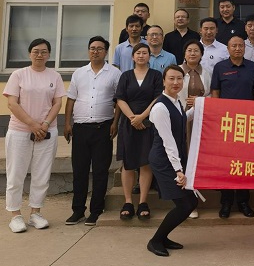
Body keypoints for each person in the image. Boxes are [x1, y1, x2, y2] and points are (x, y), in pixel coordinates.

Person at [4, 38, 65, 233]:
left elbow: (57, 103)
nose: (40, 55)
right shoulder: (18, 74)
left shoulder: (54, 76)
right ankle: (15, 215)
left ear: (49, 55)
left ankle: (35, 213)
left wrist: (44, 125)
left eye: (44, 51)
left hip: (47, 131)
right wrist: (32, 124)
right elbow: (12, 103)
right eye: (36, 51)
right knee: (16, 173)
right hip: (20, 131)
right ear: (30, 53)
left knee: (41, 174)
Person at [64, 37, 122, 226]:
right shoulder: (79, 73)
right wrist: (67, 123)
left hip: (103, 128)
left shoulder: (115, 73)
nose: (95, 51)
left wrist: (115, 122)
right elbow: (71, 99)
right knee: (79, 171)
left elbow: (119, 101)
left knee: (100, 171)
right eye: (92, 48)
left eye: (99, 48)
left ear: (106, 51)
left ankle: (96, 210)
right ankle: (78, 210)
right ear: (88, 51)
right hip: (80, 129)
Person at [147, 65, 198, 257]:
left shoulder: (176, 101)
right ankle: (155, 241)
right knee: (185, 204)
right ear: (163, 81)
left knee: (190, 202)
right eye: (171, 78)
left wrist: (199, 107)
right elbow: (168, 142)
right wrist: (178, 170)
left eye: (179, 79)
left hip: (174, 159)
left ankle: (163, 237)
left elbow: (182, 120)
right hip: (164, 161)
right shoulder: (160, 107)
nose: (176, 82)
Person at [211, 35, 254, 218]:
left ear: (244, 48)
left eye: (240, 45)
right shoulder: (220, 67)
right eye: (234, 46)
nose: (238, 48)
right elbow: (215, 93)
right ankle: (226, 202)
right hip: (226, 123)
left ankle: (243, 202)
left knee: (245, 164)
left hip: (248, 123)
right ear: (228, 48)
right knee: (226, 164)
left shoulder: (253, 67)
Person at [114, 42, 163, 220]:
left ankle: (143, 202)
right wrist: (132, 118)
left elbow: (158, 97)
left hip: (149, 122)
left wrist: (142, 117)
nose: (141, 56)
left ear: (149, 56)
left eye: (144, 53)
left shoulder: (156, 75)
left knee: (145, 162)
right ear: (133, 57)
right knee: (128, 163)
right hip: (128, 123)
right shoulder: (126, 76)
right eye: (138, 53)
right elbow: (120, 98)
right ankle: (128, 202)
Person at [178, 39, 211, 219]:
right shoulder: (176, 71)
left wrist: (200, 101)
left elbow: (212, 95)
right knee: (181, 157)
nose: (192, 53)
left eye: (196, 51)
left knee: (194, 157)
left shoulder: (206, 72)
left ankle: (193, 201)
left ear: (201, 54)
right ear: (184, 53)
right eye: (189, 50)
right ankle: (183, 200)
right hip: (178, 119)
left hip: (199, 121)